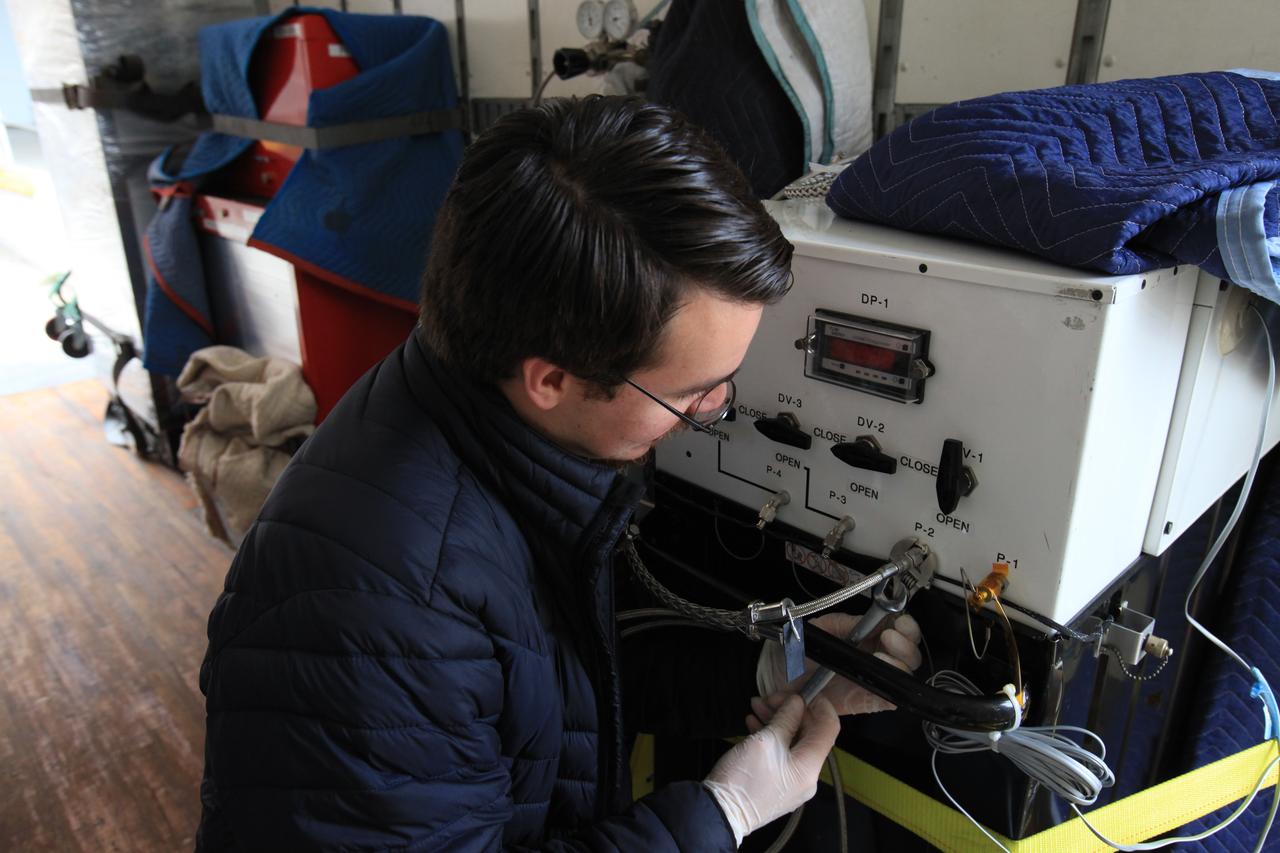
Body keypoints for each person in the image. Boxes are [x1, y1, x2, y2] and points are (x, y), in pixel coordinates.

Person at [196, 96, 921, 851]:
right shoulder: (385, 612)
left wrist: (775, 668)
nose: (714, 409)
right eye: (687, 392)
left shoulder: (481, 419)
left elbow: (551, 680)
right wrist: (717, 815)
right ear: (552, 379)